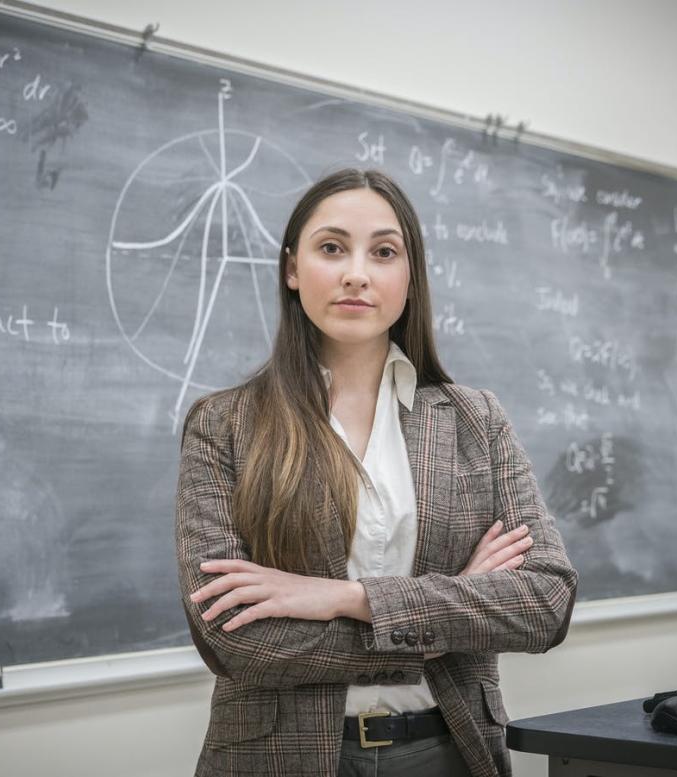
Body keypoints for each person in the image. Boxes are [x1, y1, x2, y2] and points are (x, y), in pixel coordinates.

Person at [175, 168, 578, 777]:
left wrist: (347, 598)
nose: (356, 273)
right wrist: (436, 632)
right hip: (281, 757)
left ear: (409, 277)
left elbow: (545, 601)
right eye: (331, 248)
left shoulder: (475, 420)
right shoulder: (224, 424)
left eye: (384, 252)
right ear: (292, 269)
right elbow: (232, 638)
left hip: (450, 750)